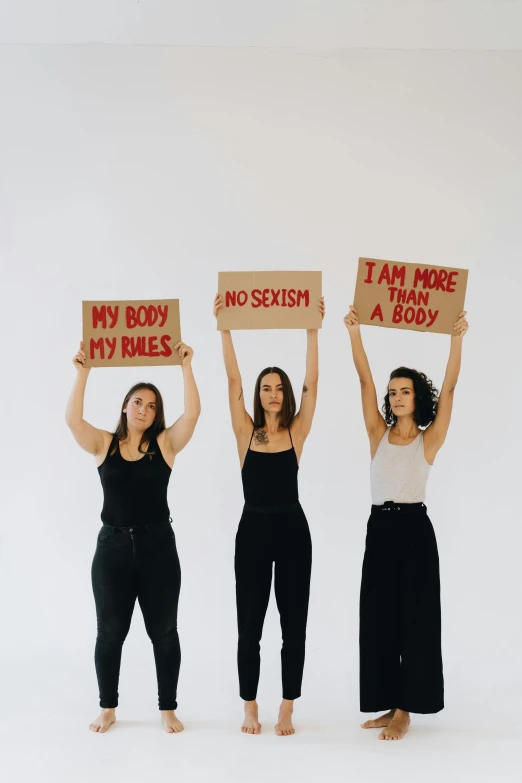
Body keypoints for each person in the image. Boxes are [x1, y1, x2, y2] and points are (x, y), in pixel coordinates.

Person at [344, 305, 468, 740]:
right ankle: (386, 701)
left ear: (418, 398)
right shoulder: (377, 434)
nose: (396, 397)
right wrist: (355, 333)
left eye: (405, 391)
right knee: (378, 617)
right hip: (379, 529)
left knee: (413, 618)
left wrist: (456, 339)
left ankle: (404, 709)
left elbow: (450, 389)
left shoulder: (428, 438)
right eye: (393, 392)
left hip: (415, 531)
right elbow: (363, 380)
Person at [65, 340, 201, 733]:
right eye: (138, 402)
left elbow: (192, 414)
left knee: (164, 632)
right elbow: (73, 421)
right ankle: (108, 707)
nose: (144, 410)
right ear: (126, 406)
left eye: (152, 405)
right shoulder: (103, 444)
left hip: (159, 548)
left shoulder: (165, 445)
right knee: (110, 633)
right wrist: (83, 372)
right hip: (112, 550)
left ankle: (167, 709)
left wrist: (186, 367)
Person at [214, 294, 325, 736]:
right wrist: (224, 328)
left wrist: (312, 330)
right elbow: (233, 379)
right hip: (254, 530)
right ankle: (249, 706)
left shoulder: (297, 433)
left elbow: (312, 386)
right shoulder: (246, 433)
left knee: (292, 623)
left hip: (294, 530)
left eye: (280, 387)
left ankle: (287, 707)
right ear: (259, 395)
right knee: (250, 625)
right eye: (267, 388)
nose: (274, 394)